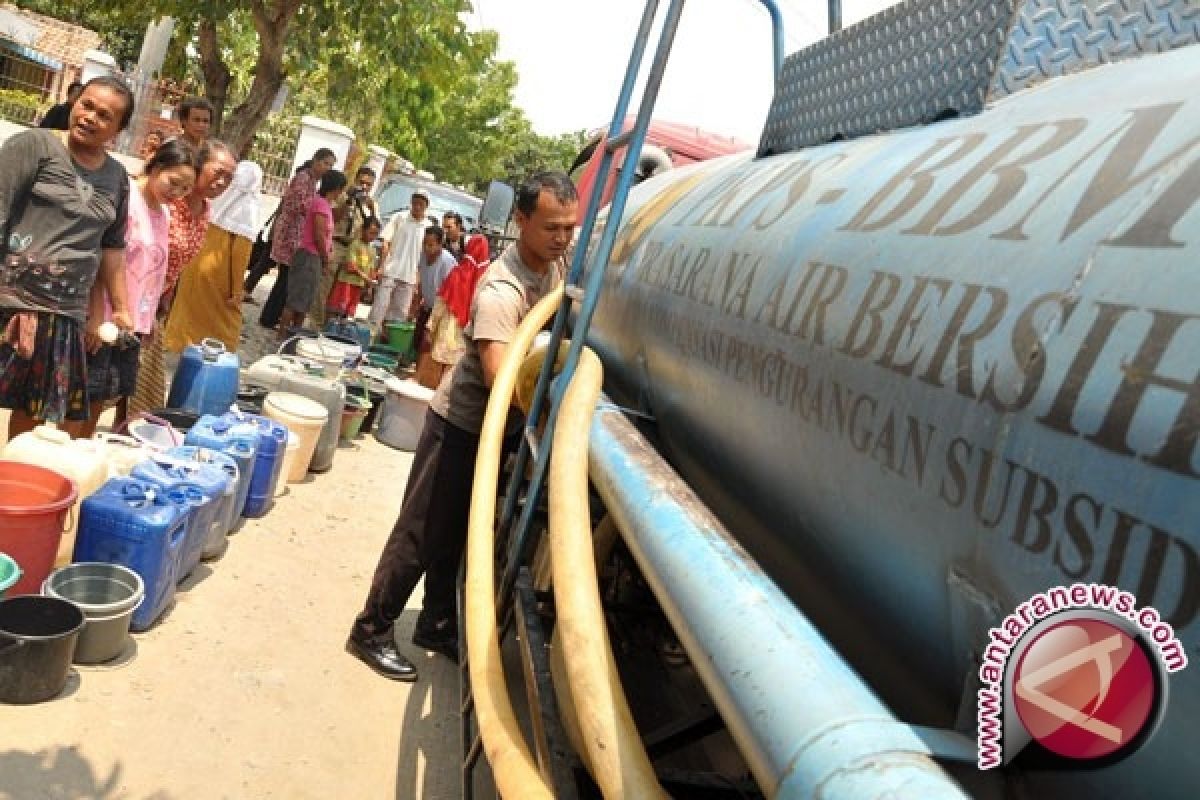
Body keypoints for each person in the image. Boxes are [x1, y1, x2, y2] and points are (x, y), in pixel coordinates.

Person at [346, 171, 578, 682]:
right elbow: (501, 379)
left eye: (569, 227)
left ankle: (434, 622)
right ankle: (370, 629)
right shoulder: (501, 288)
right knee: (422, 532)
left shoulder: (555, 267)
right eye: (552, 227)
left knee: (457, 532)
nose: (562, 238)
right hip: (463, 425)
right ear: (520, 221)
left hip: (501, 430)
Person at [0, 76, 136, 439]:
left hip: (64, 310)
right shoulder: (35, 145)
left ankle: (11, 483)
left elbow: (111, 246)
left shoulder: (117, 177)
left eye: (104, 115)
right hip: (11, 299)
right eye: (86, 105)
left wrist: (120, 307)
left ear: (118, 129)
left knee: (33, 410)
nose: (90, 117)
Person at [65, 138, 197, 438]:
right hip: (104, 318)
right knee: (79, 401)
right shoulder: (125, 197)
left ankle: (82, 458)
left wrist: (146, 322)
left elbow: (153, 271)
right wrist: (96, 316)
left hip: (128, 325)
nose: (175, 193)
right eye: (173, 182)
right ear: (157, 165)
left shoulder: (164, 213)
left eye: (184, 190)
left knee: (100, 398)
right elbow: (101, 257)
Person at [127, 139, 236, 417]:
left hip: (157, 300)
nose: (222, 182)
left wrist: (163, 301)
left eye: (229, 178)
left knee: (139, 379)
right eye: (218, 172)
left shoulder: (205, 210)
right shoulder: (168, 203)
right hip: (129, 294)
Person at [163, 160, 263, 353]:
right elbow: (240, 255)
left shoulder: (211, 202)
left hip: (193, 265)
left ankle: (178, 341)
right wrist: (236, 291)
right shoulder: (248, 210)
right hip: (220, 273)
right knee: (226, 320)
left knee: (188, 307)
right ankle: (217, 353)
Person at [260, 150, 336, 329]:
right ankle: (270, 317)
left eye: (331, 165)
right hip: (291, 232)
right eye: (325, 163)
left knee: (288, 278)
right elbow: (297, 204)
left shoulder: (314, 182)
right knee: (286, 278)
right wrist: (319, 206)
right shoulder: (303, 178)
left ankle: (273, 316)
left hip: (299, 233)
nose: (327, 168)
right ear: (315, 160)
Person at [282, 169, 346, 334]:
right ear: (337, 188)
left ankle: (294, 333)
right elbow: (319, 235)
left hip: (313, 256)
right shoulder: (320, 204)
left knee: (305, 301)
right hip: (310, 255)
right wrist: (325, 257)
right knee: (296, 300)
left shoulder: (324, 204)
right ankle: (283, 333)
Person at [312, 165, 377, 327]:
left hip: (355, 250)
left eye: (368, 184)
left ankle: (331, 326)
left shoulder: (371, 204)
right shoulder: (342, 196)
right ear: (355, 180)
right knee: (324, 287)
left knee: (341, 293)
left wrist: (371, 209)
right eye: (361, 182)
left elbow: (374, 228)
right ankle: (316, 324)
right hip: (338, 244)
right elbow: (332, 217)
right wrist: (349, 202)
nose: (364, 187)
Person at [424, 233, 490, 387]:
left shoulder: (457, 273)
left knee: (436, 377)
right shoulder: (486, 281)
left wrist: (430, 326)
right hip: (466, 338)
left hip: (446, 333)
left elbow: (441, 302)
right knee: (452, 379)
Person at [368, 191, 430, 332]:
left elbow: (425, 255)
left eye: (421, 204)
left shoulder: (427, 226)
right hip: (391, 270)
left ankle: (389, 343)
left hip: (409, 277)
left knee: (399, 314)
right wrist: (381, 266)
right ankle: (370, 336)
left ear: (426, 206)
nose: (417, 207)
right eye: (415, 203)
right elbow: (386, 243)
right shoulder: (399, 217)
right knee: (379, 308)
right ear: (411, 203)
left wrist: (419, 278)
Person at [413, 225, 458, 388]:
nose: (427, 248)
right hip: (427, 305)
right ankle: (418, 375)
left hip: (441, 310)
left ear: (440, 244)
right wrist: (417, 302)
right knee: (419, 342)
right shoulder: (423, 257)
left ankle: (424, 379)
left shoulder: (447, 262)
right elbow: (421, 279)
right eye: (425, 244)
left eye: (431, 245)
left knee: (430, 344)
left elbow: (451, 290)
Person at [327, 216, 380, 320]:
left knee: (349, 311)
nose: (373, 236)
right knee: (338, 308)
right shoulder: (354, 244)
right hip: (346, 282)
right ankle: (330, 329)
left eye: (375, 234)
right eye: (371, 232)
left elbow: (371, 269)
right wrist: (365, 277)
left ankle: (341, 331)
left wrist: (369, 285)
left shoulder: (372, 250)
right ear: (363, 230)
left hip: (358, 285)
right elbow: (350, 266)